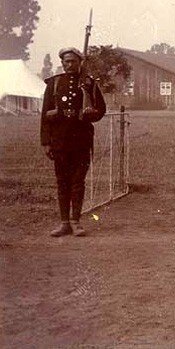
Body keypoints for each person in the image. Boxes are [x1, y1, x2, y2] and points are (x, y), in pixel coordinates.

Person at [41, 47, 106, 237]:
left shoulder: (89, 84)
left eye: (73, 61)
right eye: (66, 61)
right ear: (62, 63)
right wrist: (46, 142)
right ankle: (64, 223)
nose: (69, 65)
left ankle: (76, 222)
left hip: (81, 142)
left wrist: (89, 114)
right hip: (59, 142)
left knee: (78, 181)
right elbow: (44, 115)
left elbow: (100, 110)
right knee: (62, 182)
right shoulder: (54, 83)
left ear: (80, 63)